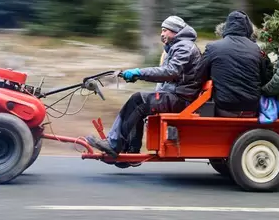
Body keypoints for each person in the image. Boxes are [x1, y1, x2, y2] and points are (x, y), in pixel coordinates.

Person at [85, 15, 202, 158]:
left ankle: (114, 144)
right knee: (140, 101)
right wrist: (137, 75)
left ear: (175, 31)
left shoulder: (184, 46)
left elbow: (170, 72)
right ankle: (130, 151)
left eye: (165, 30)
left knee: (138, 100)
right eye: (162, 30)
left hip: (181, 98)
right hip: (176, 95)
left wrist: (139, 72)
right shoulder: (178, 46)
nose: (162, 34)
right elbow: (167, 76)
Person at [196, 11, 274, 117]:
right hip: (251, 109)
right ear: (248, 29)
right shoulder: (257, 50)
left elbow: (199, 75)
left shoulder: (213, 47)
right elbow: (267, 78)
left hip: (224, 108)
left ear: (226, 27)